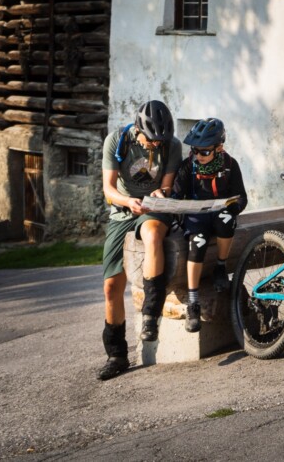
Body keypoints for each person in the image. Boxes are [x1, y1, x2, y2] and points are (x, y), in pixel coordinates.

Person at [96, 100, 182, 381]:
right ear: (138, 130)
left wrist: (162, 193)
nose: (156, 145)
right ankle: (116, 355)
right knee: (111, 287)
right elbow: (108, 190)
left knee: (153, 234)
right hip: (123, 211)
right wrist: (128, 201)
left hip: (154, 210)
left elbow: (167, 183)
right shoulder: (117, 141)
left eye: (161, 141)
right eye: (151, 140)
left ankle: (150, 315)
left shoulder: (172, 145)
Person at [171, 118, 248, 333]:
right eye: (196, 150)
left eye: (205, 152)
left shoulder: (230, 165)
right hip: (196, 217)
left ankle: (220, 268)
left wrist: (231, 208)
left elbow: (241, 197)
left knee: (226, 220)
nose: (199, 156)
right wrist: (172, 203)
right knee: (198, 242)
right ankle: (193, 303)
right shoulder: (188, 167)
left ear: (219, 147)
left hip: (220, 213)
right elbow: (177, 195)